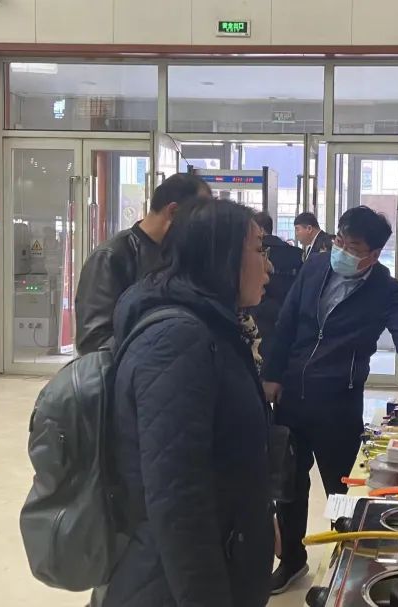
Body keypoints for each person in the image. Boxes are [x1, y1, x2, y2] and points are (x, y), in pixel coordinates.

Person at [263, 206, 398, 594]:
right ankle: (293, 560)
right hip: (293, 396)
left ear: (373, 254)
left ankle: (347, 562)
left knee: (342, 491)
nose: (342, 251)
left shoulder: (384, 289)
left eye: (352, 247)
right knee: (289, 486)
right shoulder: (316, 267)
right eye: (340, 241)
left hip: (338, 402)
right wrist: (272, 374)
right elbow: (286, 323)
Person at [104, 197, 274, 607]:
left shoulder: (217, 325)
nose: (269, 267)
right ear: (222, 255)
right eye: (259, 250)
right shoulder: (177, 340)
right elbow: (177, 499)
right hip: (170, 585)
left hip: (224, 549)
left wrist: (259, 516)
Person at [74, 173, 211, 354]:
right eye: (198, 217)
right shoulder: (111, 257)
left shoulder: (180, 254)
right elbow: (93, 340)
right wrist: (159, 346)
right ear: (173, 211)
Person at [251, 212, 303, 364]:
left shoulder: (252, 252)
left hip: (258, 314)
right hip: (287, 314)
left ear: (260, 229)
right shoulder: (296, 254)